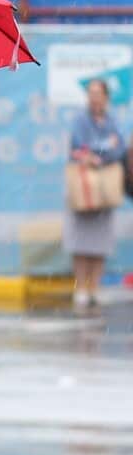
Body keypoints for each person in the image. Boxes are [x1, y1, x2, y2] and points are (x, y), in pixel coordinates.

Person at [66, 78, 124, 311]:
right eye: (90, 93)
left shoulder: (113, 120)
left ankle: (94, 288)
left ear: (106, 97)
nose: (94, 97)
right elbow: (80, 147)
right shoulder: (80, 120)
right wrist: (103, 147)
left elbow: (117, 148)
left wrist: (99, 150)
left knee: (101, 241)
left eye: (98, 93)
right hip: (83, 187)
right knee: (81, 240)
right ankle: (80, 287)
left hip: (105, 190)